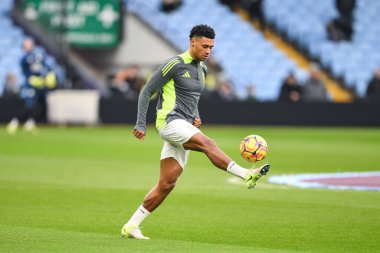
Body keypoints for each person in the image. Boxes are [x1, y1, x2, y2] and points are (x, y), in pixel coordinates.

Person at [121, 24, 270, 240]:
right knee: (208, 144)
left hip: (185, 125)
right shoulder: (173, 64)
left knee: (167, 184)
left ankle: (131, 226)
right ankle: (247, 175)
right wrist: (140, 124)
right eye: (205, 46)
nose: (208, 51)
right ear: (192, 42)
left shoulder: (203, 69)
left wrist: (195, 115)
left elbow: (192, 98)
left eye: (211, 47)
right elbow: (146, 91)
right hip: (169, 123)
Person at [6, 38, 56, 134]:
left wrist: (47, 78)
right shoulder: (24, 59)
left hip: (41, 85)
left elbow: (46, 68)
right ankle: (15, 121)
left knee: (42, 104)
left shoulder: (39, 56)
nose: (29, 46)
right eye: (27, 45)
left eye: (30, 44)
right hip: (30, 85)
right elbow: (25, 73)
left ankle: (30, 122)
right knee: (29, 105)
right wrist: (31, 80)